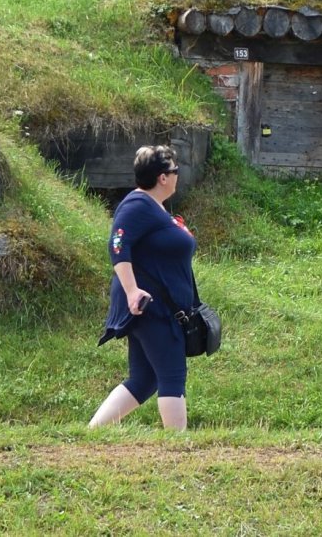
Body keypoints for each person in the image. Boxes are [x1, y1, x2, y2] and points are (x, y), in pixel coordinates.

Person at [89, 145, 195, 431]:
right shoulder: (138, 205)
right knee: (172, 374)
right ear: (163, 177)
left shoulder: (154, 208)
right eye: (175, 171)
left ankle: (93, 432)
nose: (177, 177)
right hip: (152, 308)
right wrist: (132, 290)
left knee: (144, 378)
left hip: (157, 306)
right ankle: (178, 445)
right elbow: (117, 246)